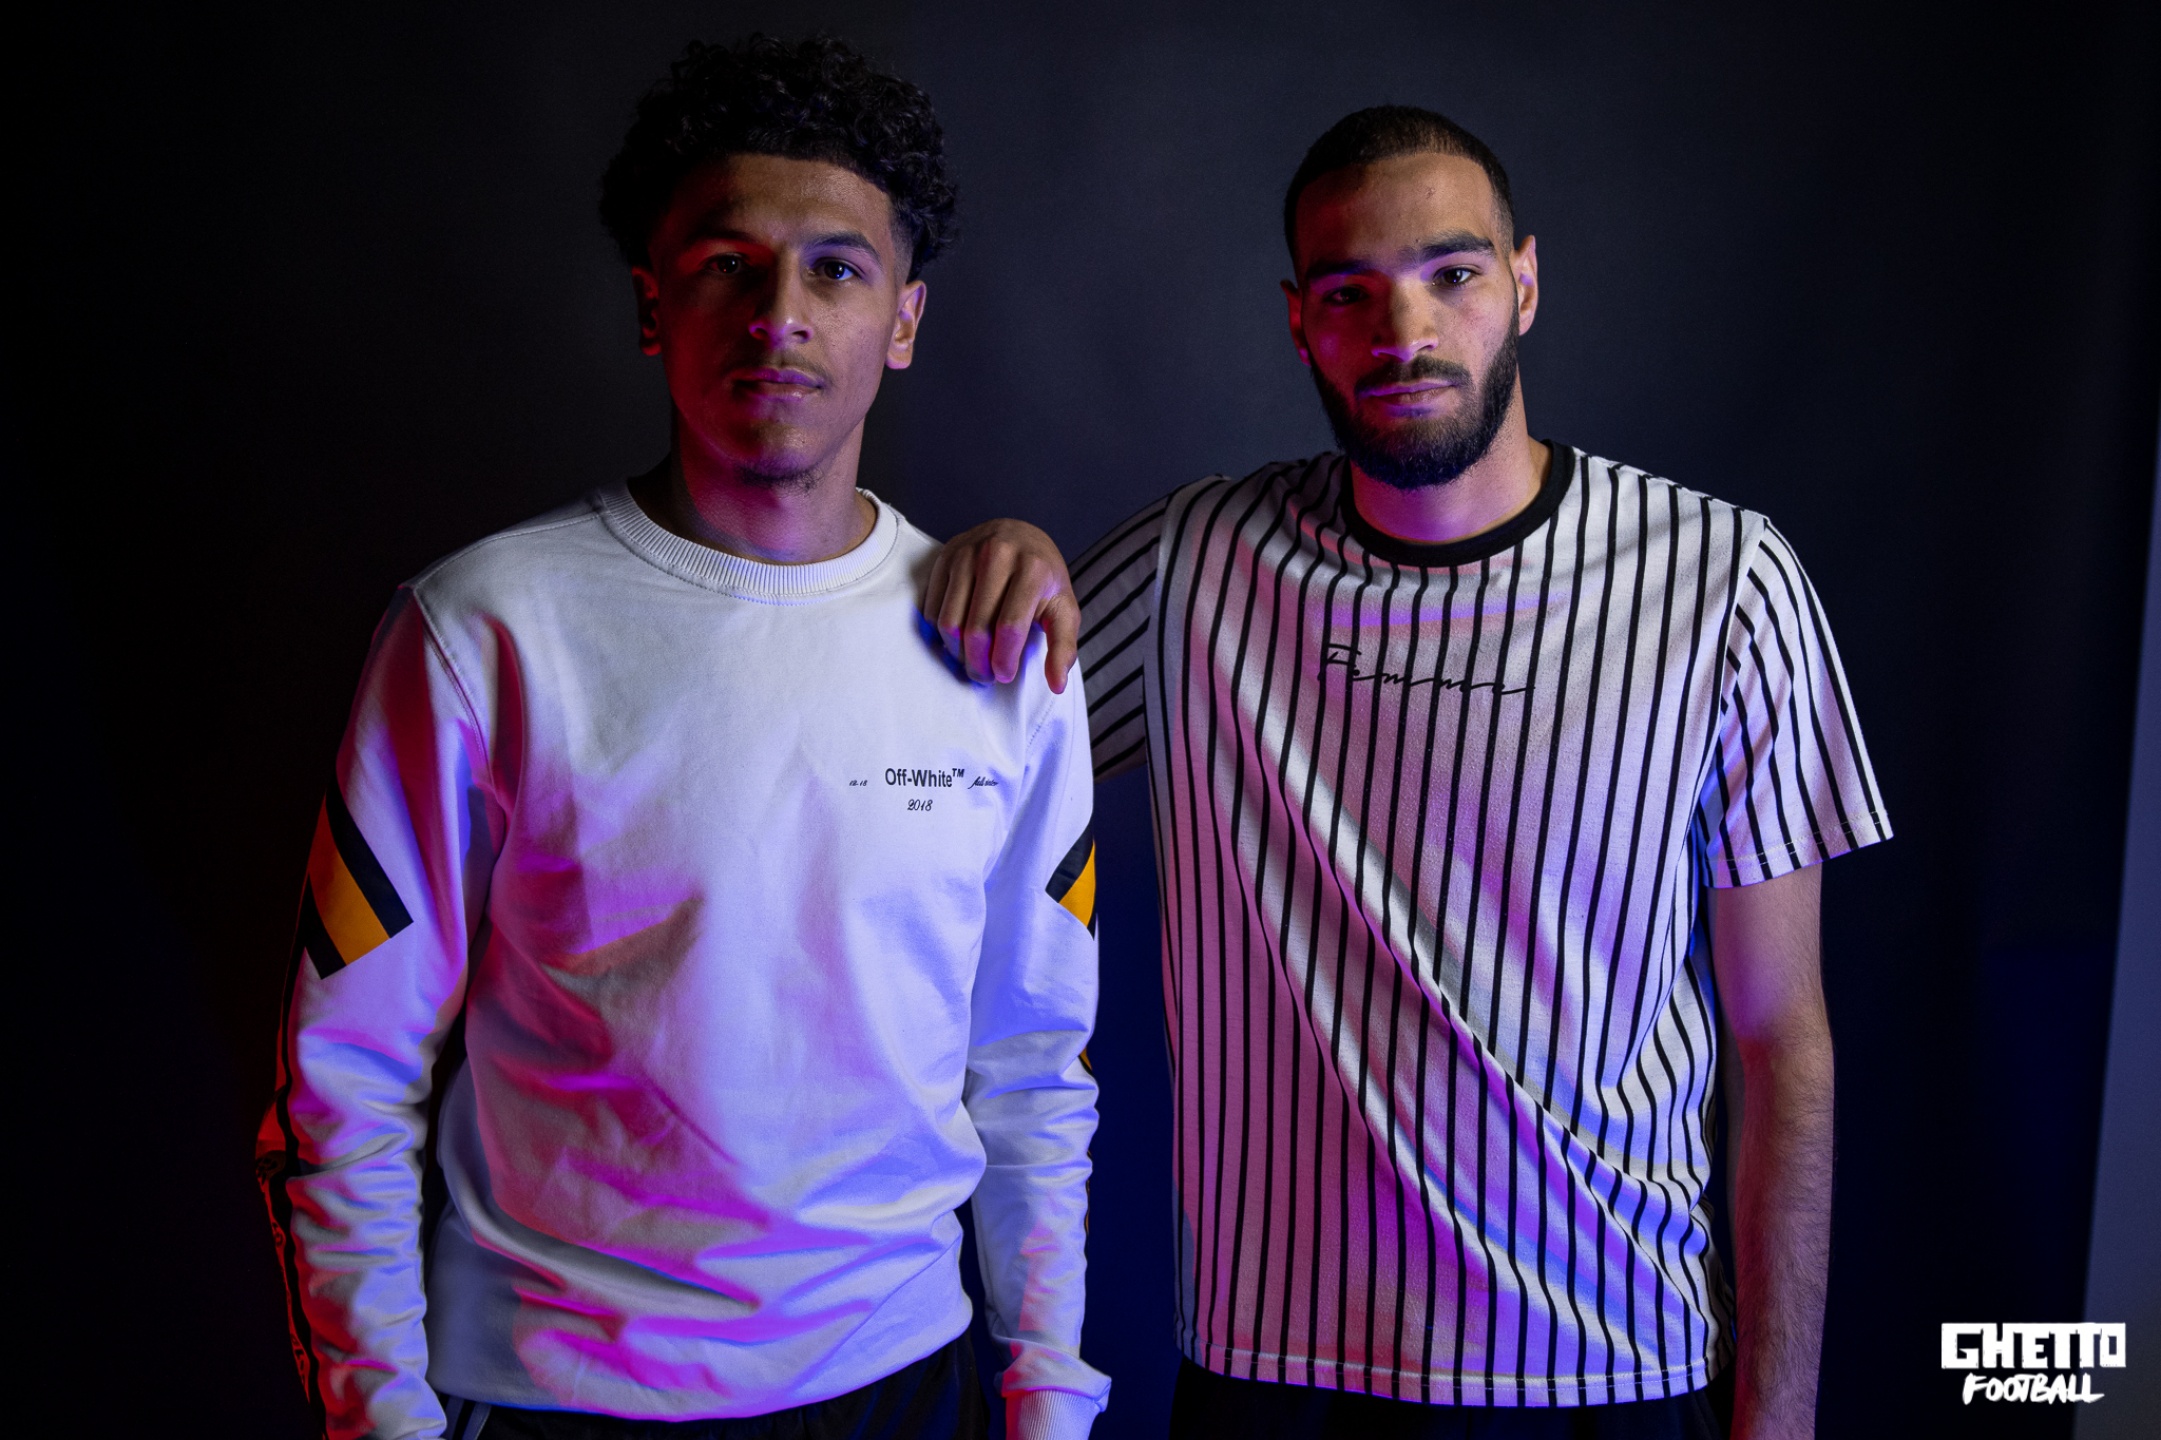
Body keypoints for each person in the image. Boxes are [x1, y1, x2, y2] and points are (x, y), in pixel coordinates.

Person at [925, 106, 1889, 1439]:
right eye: (1349, 292)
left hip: (1609, 1367)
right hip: (1271, 1371)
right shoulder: (1194, 567)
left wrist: (1775, 1426)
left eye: (1453, 273)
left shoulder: (1723, 582)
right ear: (1298, 321)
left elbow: (1782, 1042)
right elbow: (928, 783)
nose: (1404, 330)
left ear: (1524, 283)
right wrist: (1007, 553)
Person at [256, 36, 1108, 1440]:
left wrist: (1049, 1398)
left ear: (903, 319)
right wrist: (381, 1419)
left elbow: (1032, 1070)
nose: (780, 315)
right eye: (726, 264)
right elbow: (345, 1073)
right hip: (557, 1394)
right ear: (654, 305)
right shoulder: (483, 631)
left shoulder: (1010, 650)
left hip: (906, 1384)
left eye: (836, 269)